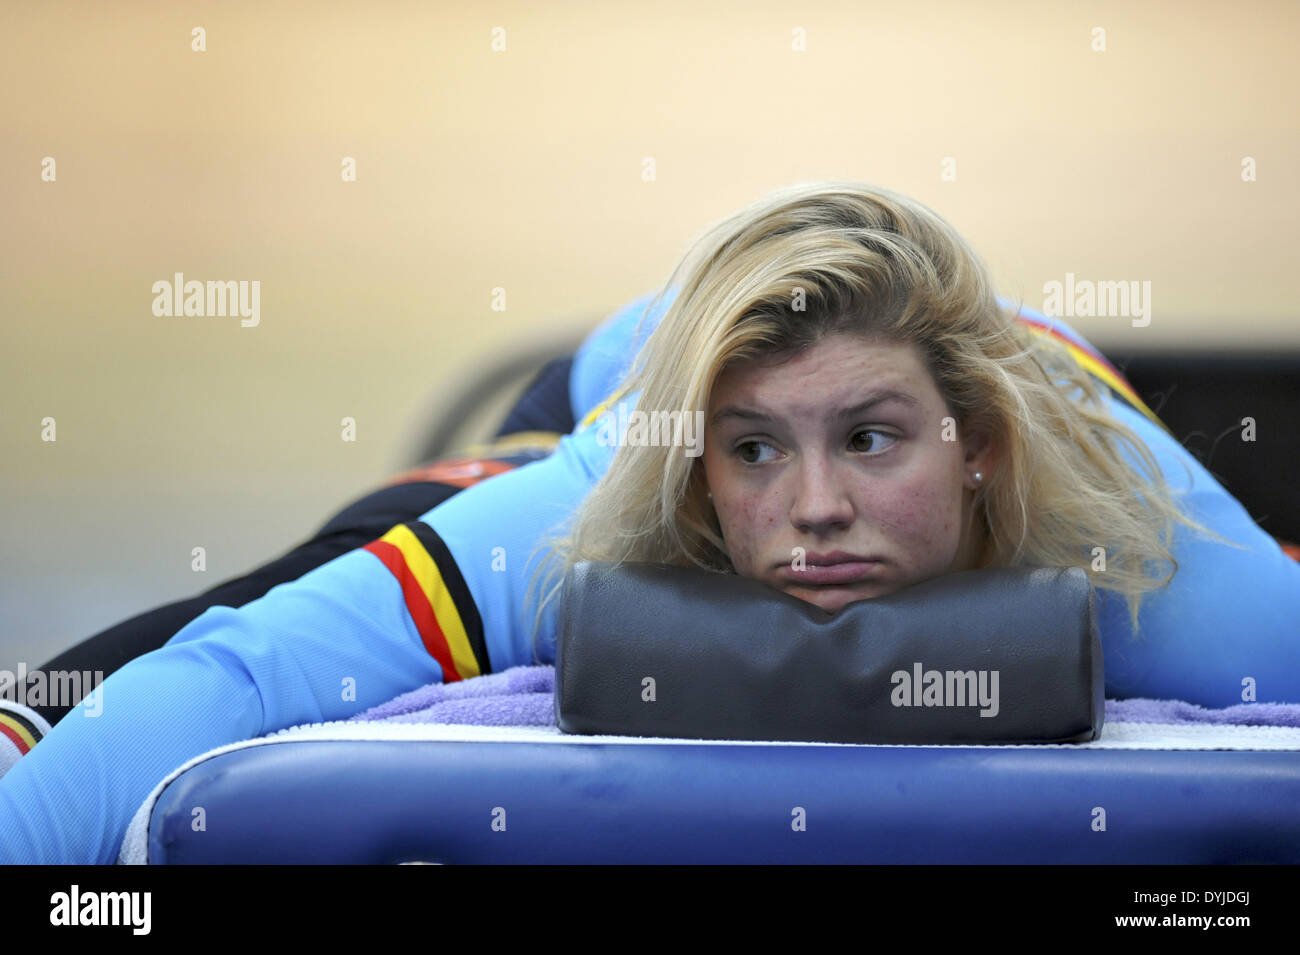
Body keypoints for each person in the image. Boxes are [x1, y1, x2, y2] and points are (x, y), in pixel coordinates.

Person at [2, 180, 1297, 864]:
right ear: (694, 480)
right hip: (596, 384)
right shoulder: (606, 494)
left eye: (872, 441)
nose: (818, 508)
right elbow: (237, 671)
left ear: (980, 453)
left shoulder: (1157, 568)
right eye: (755, 455)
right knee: (353, 571)